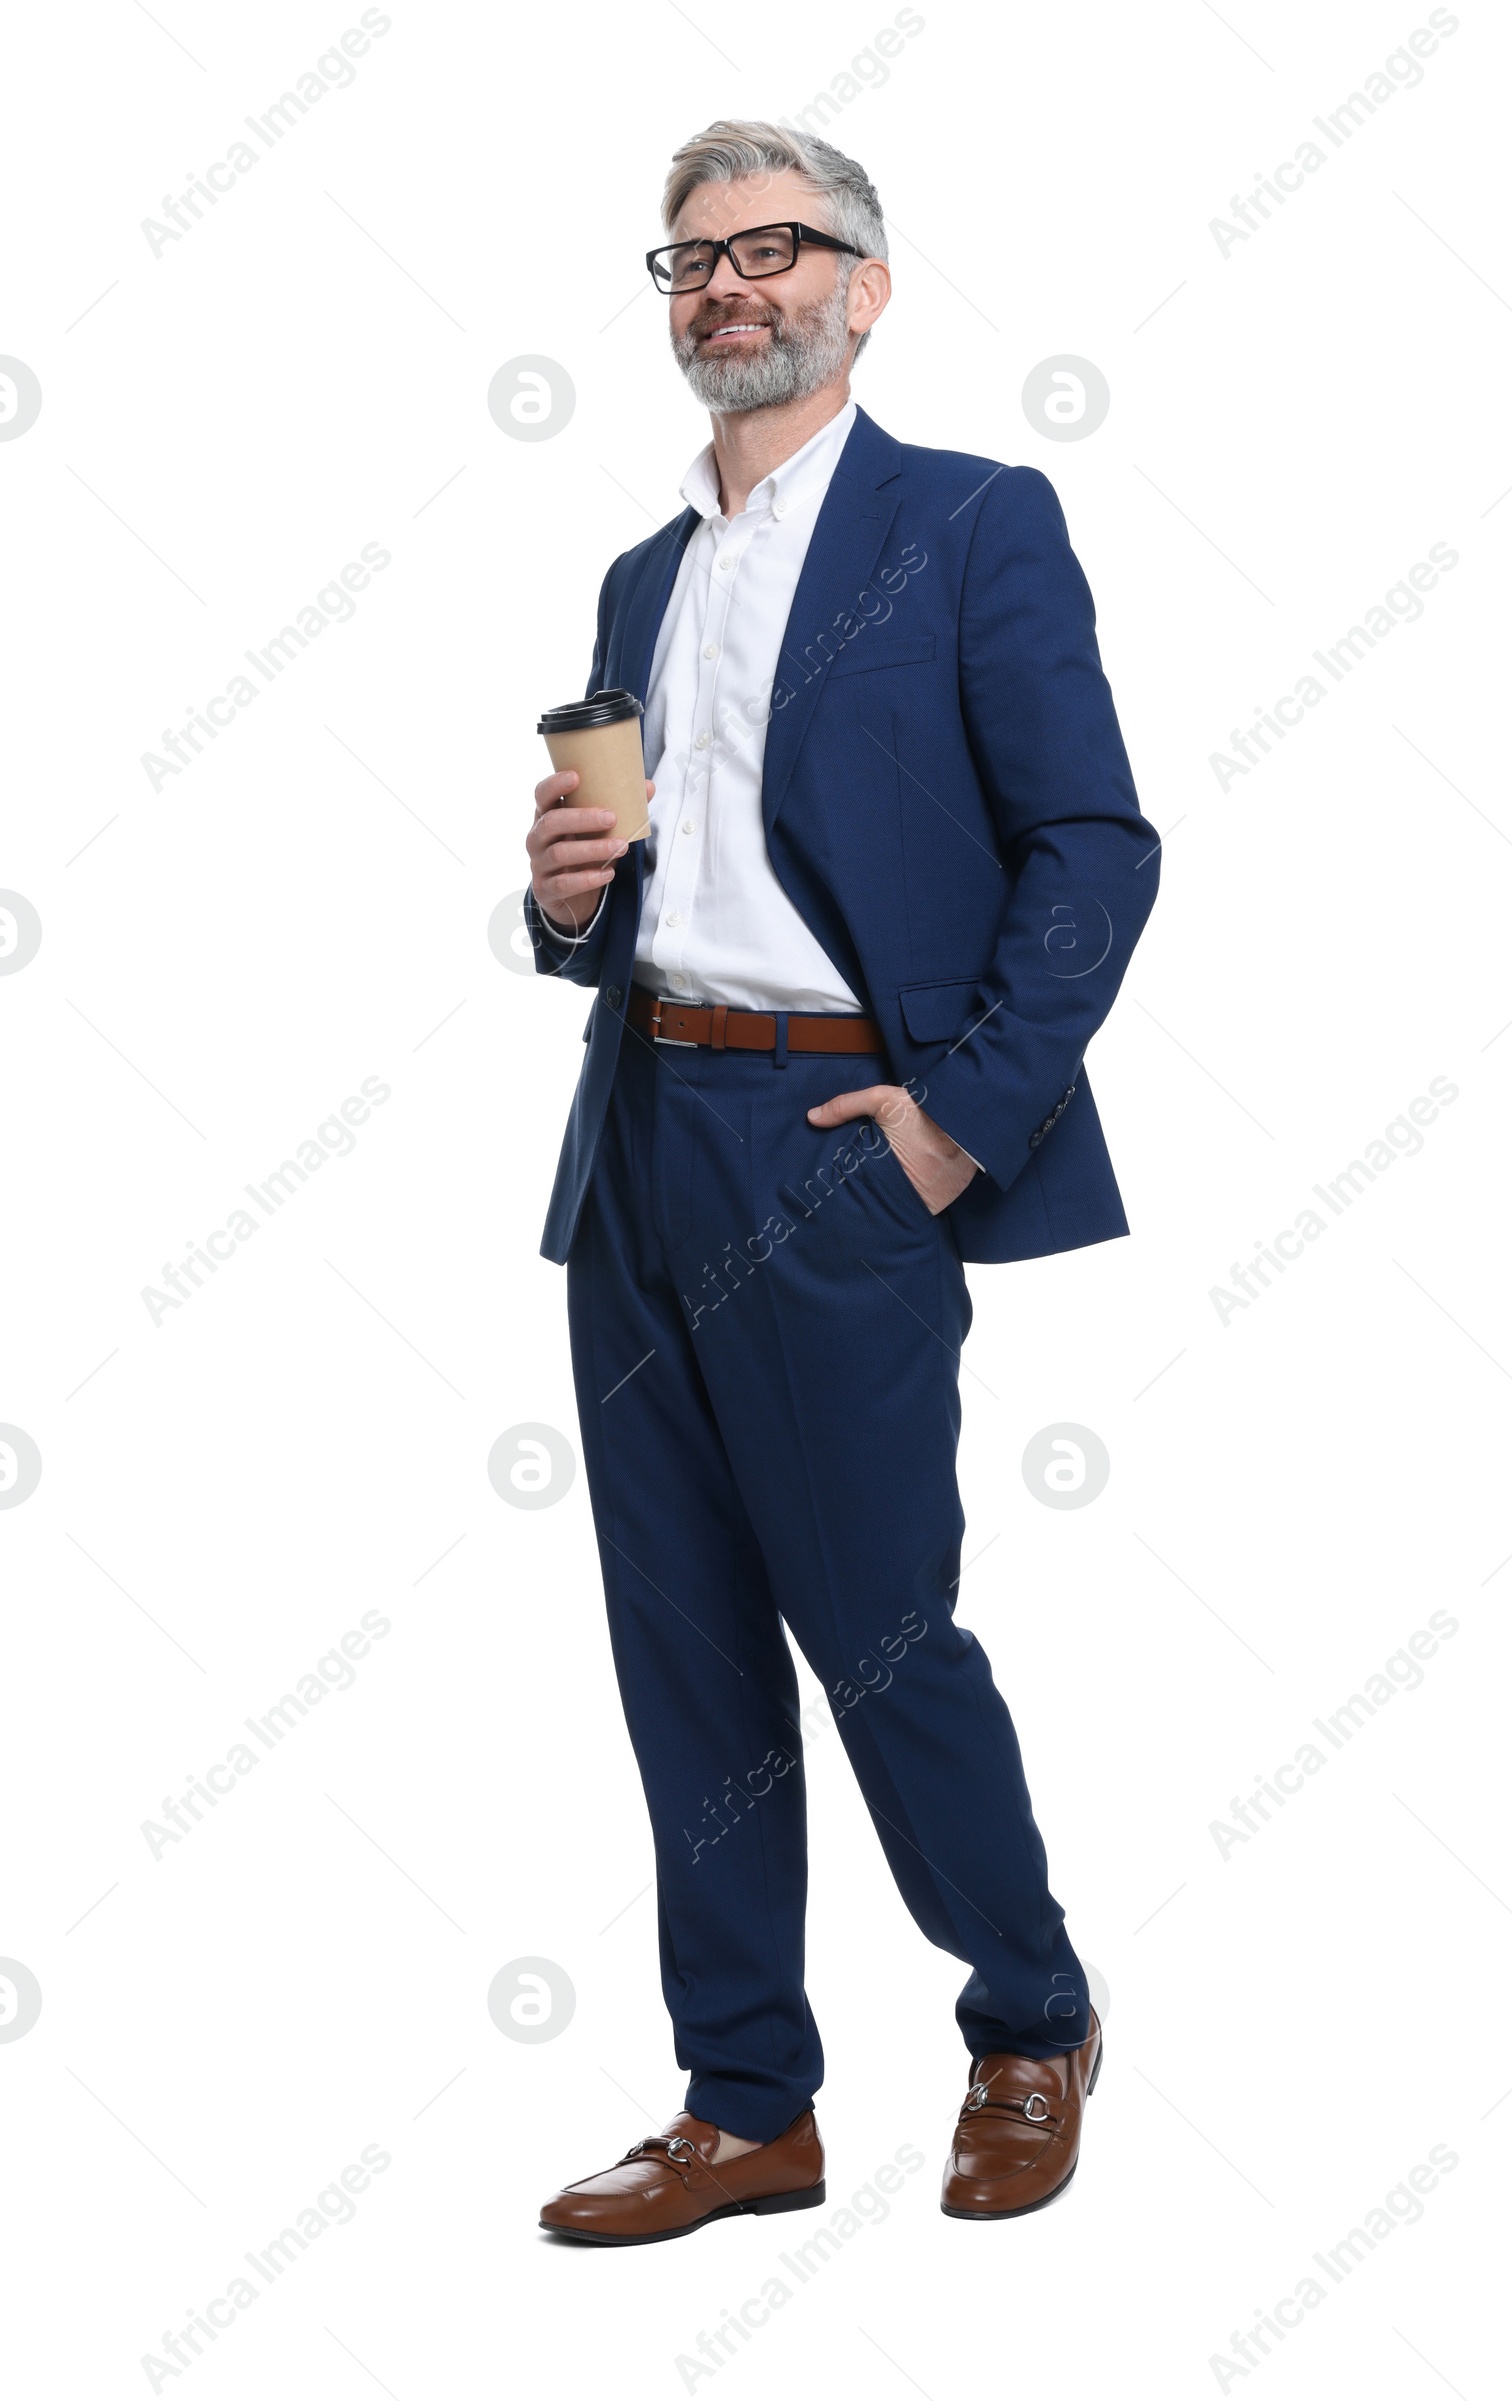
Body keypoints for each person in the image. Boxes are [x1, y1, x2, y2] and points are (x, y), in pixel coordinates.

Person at [525, 119, 1158, 2243]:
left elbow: (1091, 842)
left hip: (836, 1153)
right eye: (690, 259)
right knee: (681, 1645)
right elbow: (635, 898)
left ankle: (1028, 2017)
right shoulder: (643, 576)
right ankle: (746, 2102)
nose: (726, 284)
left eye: (772, 249)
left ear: (862, 288)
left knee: (876, 1632)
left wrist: (954, 1116)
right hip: (638, 1142)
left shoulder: (970, 524)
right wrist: (561, 907)